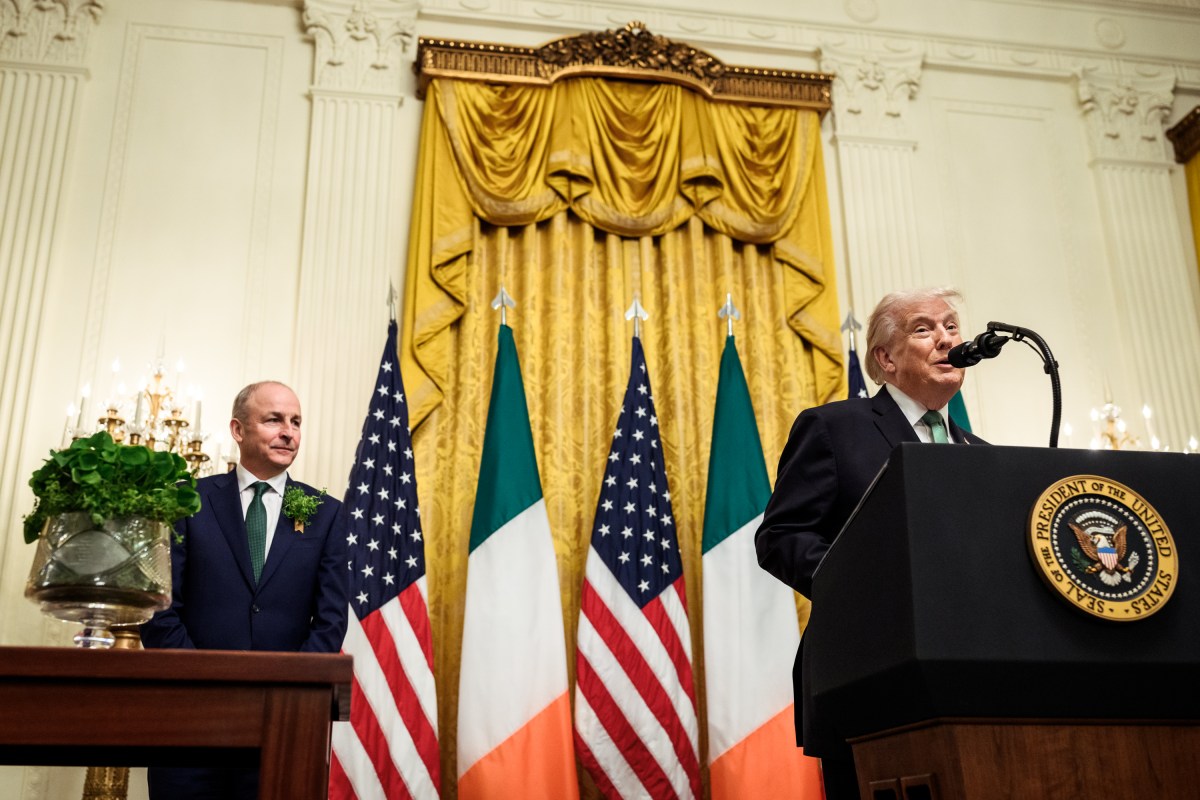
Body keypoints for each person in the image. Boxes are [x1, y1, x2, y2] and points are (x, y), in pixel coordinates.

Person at [755, 287, 987, 800]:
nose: (946, 338)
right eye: (924, 329)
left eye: (951, 326)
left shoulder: (980, 454)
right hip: (868, 676)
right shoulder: (836, 428)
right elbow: (781, 537)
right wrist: (868, 589)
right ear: (884, 358)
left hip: (972, 682)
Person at [141, 381, 349, 800]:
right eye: (273, 419)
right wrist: (210, 684)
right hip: (188, 720)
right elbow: (158, 608)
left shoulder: (327, 513)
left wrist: (286, 691)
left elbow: (329, 623)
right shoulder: (186, 501)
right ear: (238, 430)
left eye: (296, 422)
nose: (288, 431)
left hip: (285, 725)